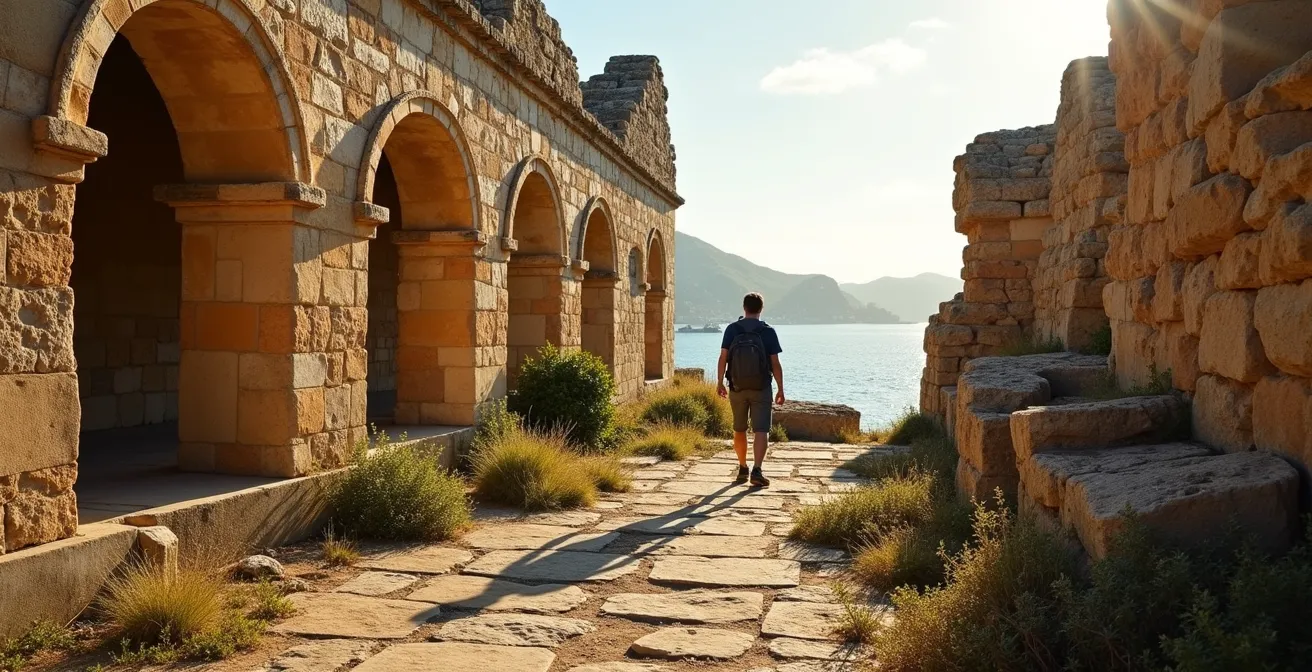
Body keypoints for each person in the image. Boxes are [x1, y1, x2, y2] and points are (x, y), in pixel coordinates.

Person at [716, 292, 784, 487]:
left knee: (739, 429)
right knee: (761, 429)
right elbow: (775, 363)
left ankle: (742, 467)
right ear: (761, 309)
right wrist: (780, 388)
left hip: (737, 387)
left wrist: (720, 382)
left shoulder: (732, 329)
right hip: (761, 387)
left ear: (744, 308)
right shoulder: (767, 331)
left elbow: (723, 357)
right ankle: (757, 470)